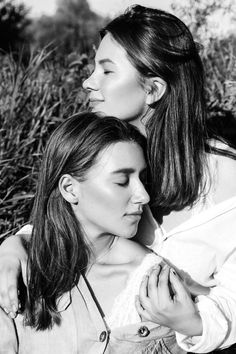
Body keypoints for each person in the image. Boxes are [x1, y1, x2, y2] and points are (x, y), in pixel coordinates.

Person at [1, 4, 236, 353]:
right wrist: (14, 245)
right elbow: (72, 209)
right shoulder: (111, 149)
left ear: (153, 90)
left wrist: (193, 324)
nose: (88, 82)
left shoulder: (229, 187)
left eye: (107, 71)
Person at [0, 111, 191, 354]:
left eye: (143, 179)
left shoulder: (153, 283)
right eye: (122, 181)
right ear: (70, 189)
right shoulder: (17, 271)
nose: (144, 196)